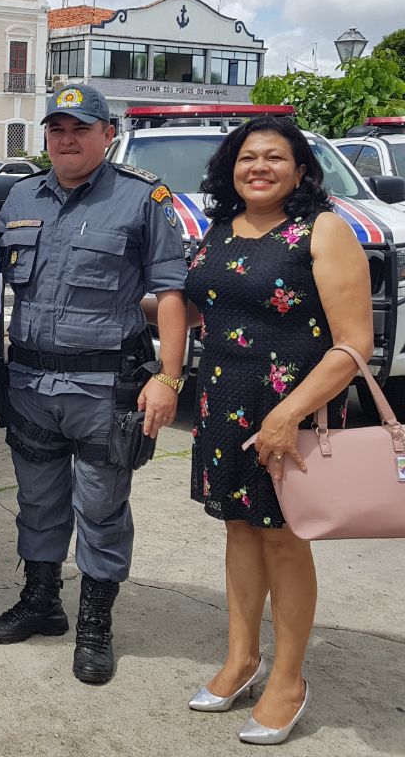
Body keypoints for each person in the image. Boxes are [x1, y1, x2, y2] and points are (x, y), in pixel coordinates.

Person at [0, 82, 187, 684]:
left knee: (99, 507)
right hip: (29, 380)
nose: (66, 140)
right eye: (56, 130)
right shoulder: (20, 195)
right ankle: (41, 603)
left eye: (79, 129)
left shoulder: (142, 199)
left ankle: (95, 625)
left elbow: (171, 294)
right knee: (38, 502)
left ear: (108, 135)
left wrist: (169, 377)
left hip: (104, 387)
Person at [183, 116, 370, 744]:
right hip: (222, 402)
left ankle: (289, 678)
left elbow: (354, 346)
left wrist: (288, 413)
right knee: (241, 529)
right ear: (230, 168)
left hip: (293, 407)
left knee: (285, 537)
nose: (258, 168)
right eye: (246, 158)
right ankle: (242, 659)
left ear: (300, 170)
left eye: (274, 158)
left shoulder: (323, 229)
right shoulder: (219, 228)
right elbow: (199, 301)